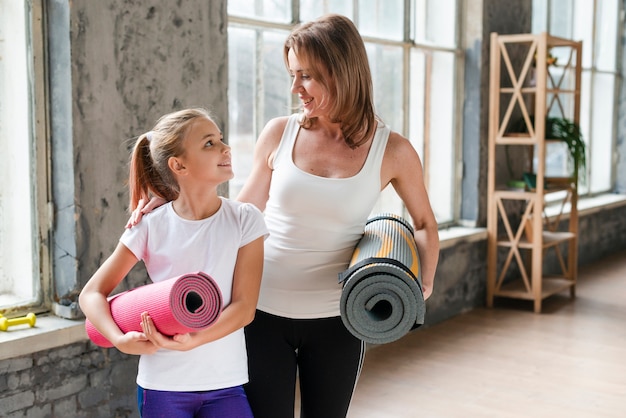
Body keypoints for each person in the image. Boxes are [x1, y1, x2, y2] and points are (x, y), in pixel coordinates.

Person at [129, 14, 439, 418]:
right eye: (292, 75)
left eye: (306, 76)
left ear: (342, 72)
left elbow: (424, 224)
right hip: (261, 312)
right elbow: (240, 213)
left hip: (338, 320)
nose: (295, 88)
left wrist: (423, 283)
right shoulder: (280, 132)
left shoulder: (393, 149)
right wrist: (171, 202)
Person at [79, 107, 268, 418]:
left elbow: (244, 308)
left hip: (225, 381)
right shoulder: (150, 225)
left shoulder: (245, 219)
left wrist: (192, 341)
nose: (225, 148)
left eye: (221, 139)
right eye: (209, 143)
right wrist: (119, 340)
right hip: (162, 383)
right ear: (178, 164)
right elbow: (91, 294)